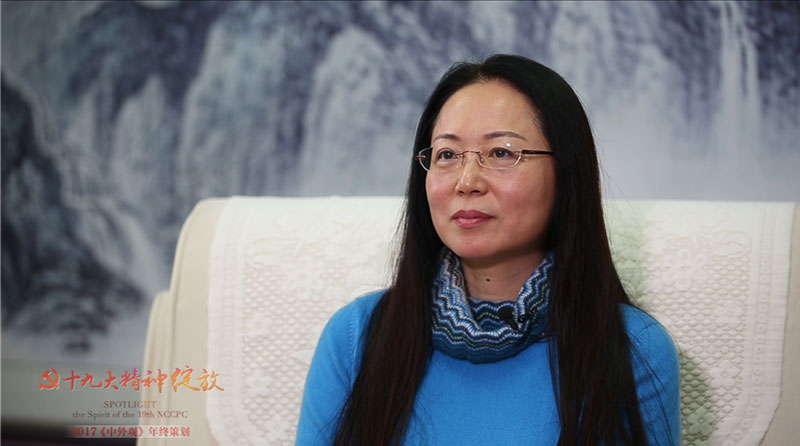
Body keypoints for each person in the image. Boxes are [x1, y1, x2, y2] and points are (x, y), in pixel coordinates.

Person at [296, 54, 680, 445]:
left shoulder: (633, 348)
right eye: (447, 155)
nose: (466, 182)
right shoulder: (356, 337)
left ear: (567, 172)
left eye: (501, 153)